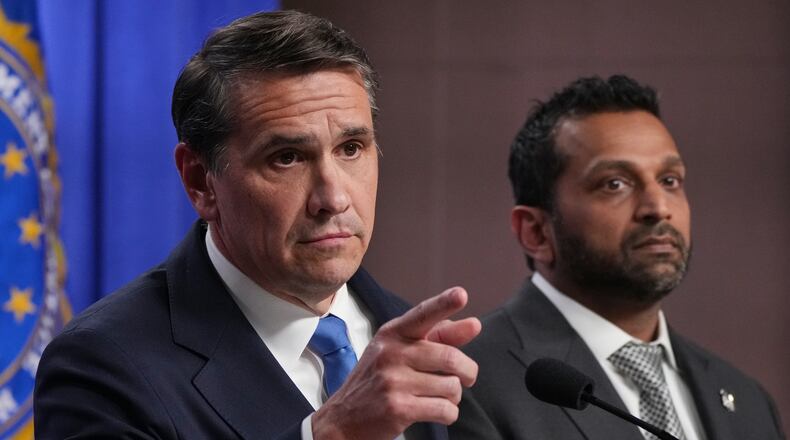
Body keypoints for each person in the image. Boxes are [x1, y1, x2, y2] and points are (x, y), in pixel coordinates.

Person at [34, 10, 480, 440]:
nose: (334, 198)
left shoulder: (425, 345)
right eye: (286, 158)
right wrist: (330, 434)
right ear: (200, 182)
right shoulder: (103, 365)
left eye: (351, 149)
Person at [449, 75, 785, 439]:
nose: (658, 208)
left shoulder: (750, 403)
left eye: (670, 181)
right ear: (536, 231)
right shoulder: (465, 382)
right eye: (615, 184)